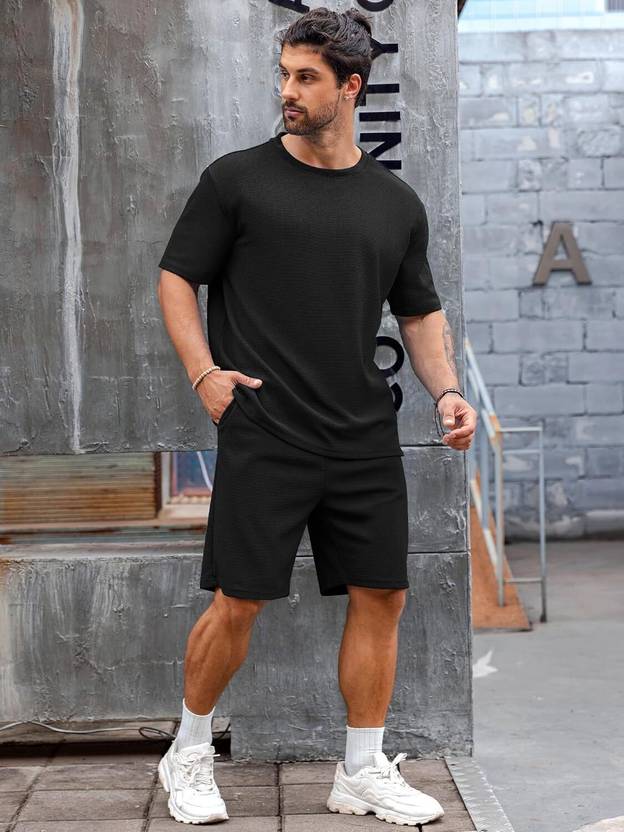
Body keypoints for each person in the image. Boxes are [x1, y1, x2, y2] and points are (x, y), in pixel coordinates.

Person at [155, 6, 476, 826]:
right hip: (266, 429)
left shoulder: (394, 202)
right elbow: (176, 277)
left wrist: (445, 391)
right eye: (285, 76)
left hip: (362, 436)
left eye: (306, 78)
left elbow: (418, 313)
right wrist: (204, 373)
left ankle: (360, 770)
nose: (288, 92)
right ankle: (187, 753)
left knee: (382, 597)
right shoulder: (237, 181)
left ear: (351, 88)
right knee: (238, 601)